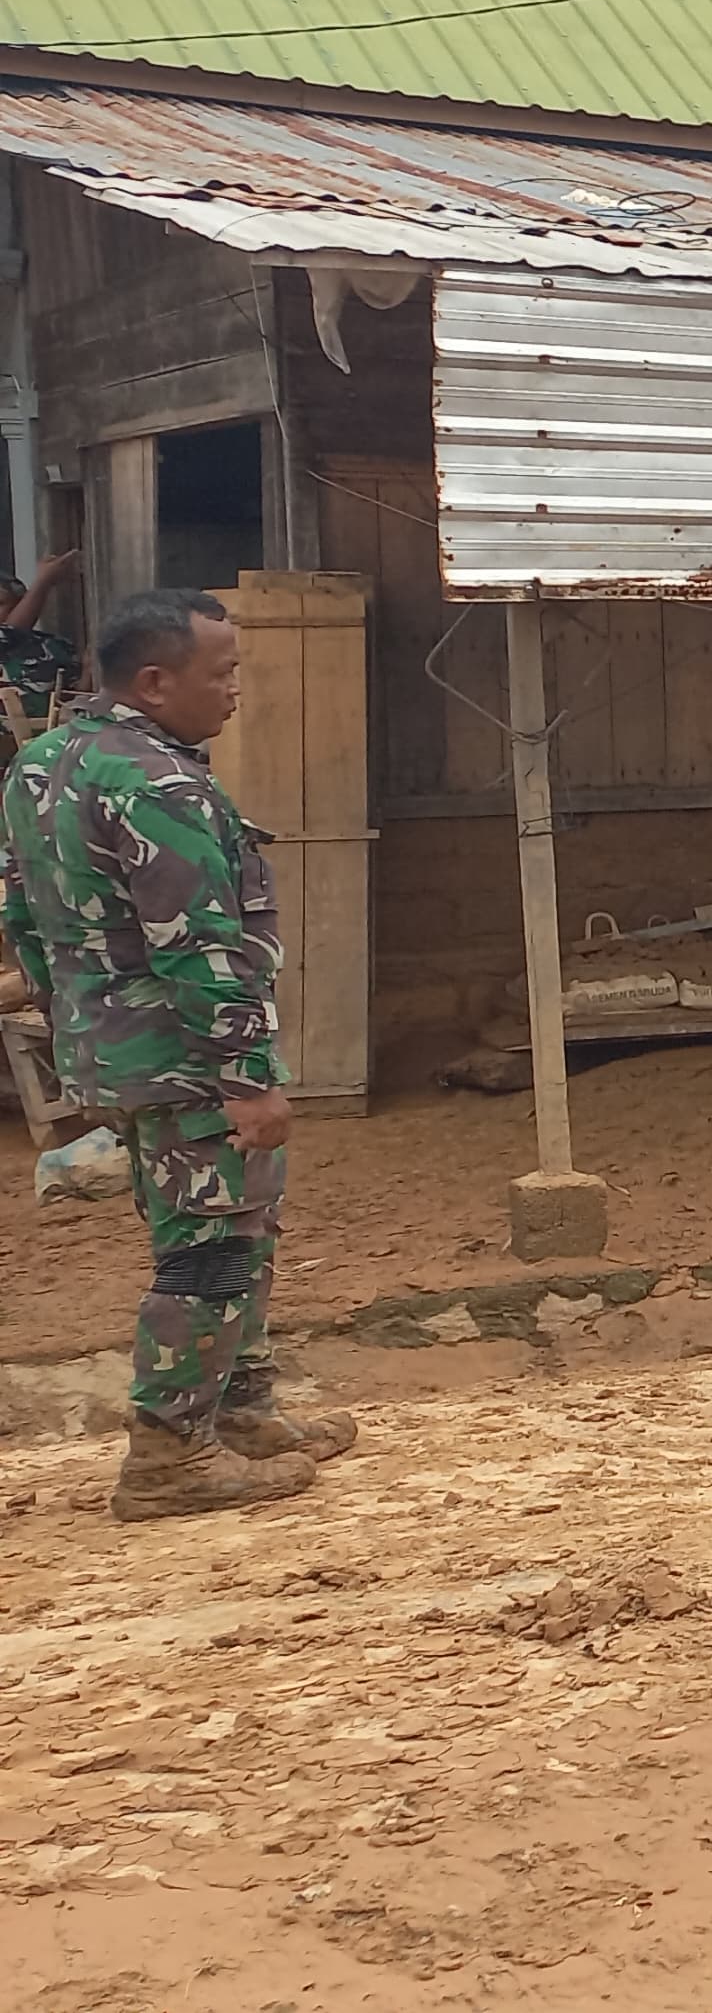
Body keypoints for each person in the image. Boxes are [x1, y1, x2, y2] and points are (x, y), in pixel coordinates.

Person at [4, 586, 347, 1519]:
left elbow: (20, 914)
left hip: (112, 1051)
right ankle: (168, 1458)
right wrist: (247, 1077)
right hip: (187, 1058)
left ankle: (241, 1411)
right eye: (222, 673)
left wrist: (75, 1023)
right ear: (155, 683)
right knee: (209, 1251)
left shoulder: (42, 764)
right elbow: (197, 945)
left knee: (231, 1230)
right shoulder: (157, 784)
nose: (235, 690)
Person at [0, 547, 85, 728]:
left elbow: (79, 699)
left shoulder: (56, 647)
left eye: (0, 603)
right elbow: (10, 633)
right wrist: (44, 581)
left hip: (51, 741)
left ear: (20, 603)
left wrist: (90, 667)